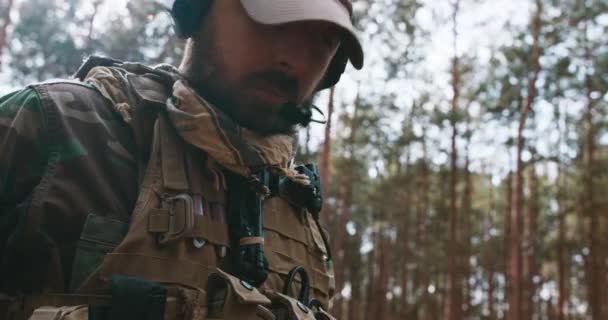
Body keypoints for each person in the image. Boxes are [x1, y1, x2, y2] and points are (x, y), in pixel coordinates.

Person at [0, 0, 363, 319]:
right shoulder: (54, 127)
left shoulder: (301, 215)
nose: (293, 60)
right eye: (274, 20)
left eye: (321, 40)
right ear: (196, 9)